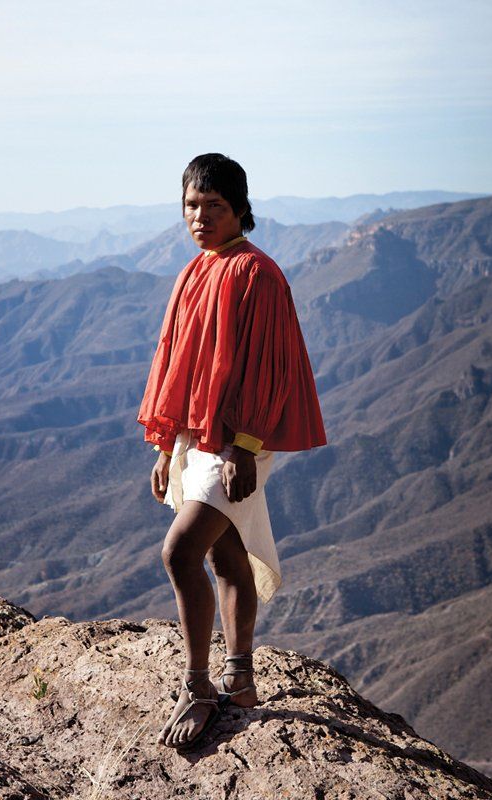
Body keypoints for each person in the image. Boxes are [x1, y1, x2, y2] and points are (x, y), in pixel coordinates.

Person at [137, 153, 327, 750]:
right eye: (191, 206)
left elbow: (266, 368)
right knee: (225, 556)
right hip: (199, 437)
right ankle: (240, 679)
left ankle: (199, 686)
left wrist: (245, 445)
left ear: (241, 208)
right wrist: (167, 444)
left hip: (239, 440)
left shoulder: (256, 273)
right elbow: (175, 362)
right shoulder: (197, 271)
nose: (200, 216)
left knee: (179, 551)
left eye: (213, 206)